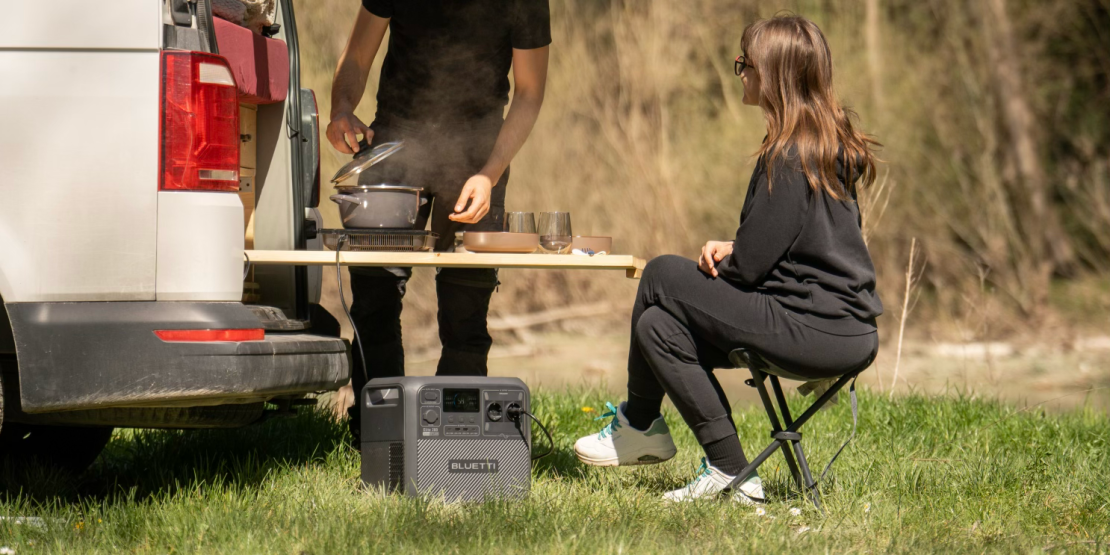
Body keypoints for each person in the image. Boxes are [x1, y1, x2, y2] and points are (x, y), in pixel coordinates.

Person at [573, 14, 884, 503]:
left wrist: (729, 259)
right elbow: (805, 245)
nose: (738, 72)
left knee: (660, 275)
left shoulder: (789, 153)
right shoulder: (824, 146)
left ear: (771, 74)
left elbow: (753, 269)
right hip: (844, 329)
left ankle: (638, 423)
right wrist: (738, 249)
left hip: (812, 325)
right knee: (658, 325)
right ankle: (733, 475)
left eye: (744, 64)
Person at [325, 1, 550, 435]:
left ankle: (454, 440)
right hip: (392, 143)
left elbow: (529, 93)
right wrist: (341, 109)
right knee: (374, 300)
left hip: (478, 155)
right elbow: (355, 57)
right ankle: (378, 433)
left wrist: (489, 174)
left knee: (465, 312)